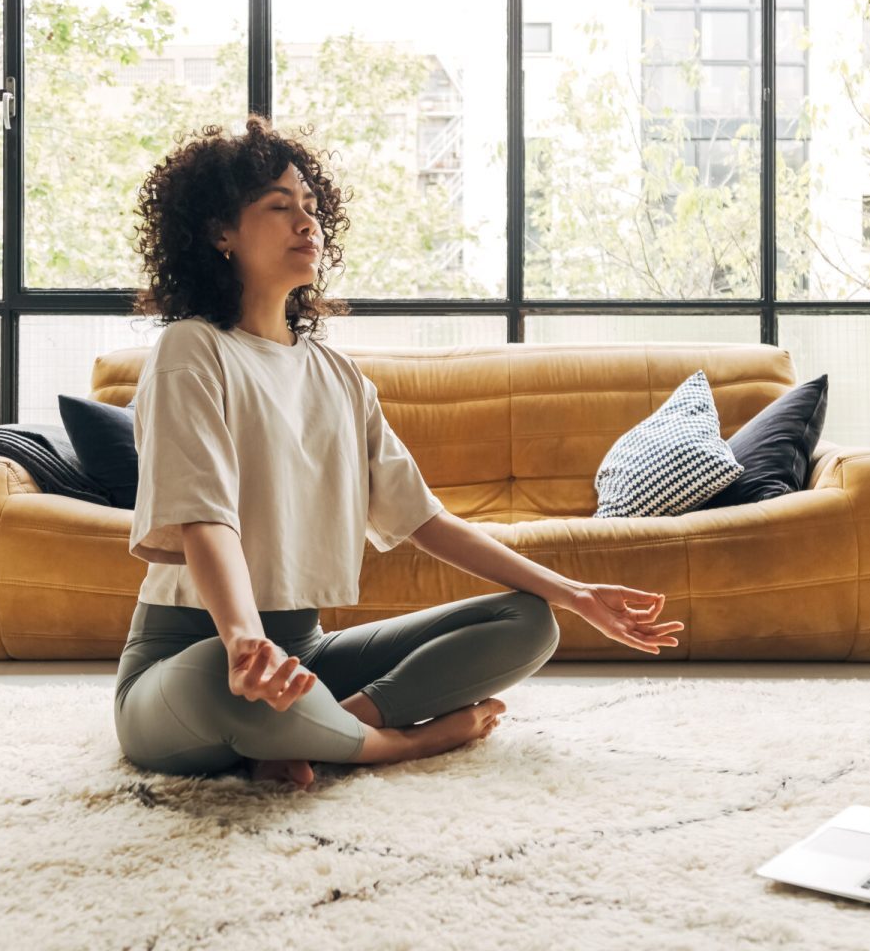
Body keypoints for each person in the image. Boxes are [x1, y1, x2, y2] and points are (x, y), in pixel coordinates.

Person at [113, 114, 683, 792]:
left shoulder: (339, 377)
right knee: (222, 684)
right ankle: (395, 744)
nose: (308, 223)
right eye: (279, 206)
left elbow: (425, 521)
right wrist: (241, 640)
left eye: (312, 207)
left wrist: (574, 592)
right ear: (220, 233)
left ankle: (333, 723)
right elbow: (205, 516)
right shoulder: (192, 350)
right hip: (190, 656)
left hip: (304, 654)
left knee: (528, 621)